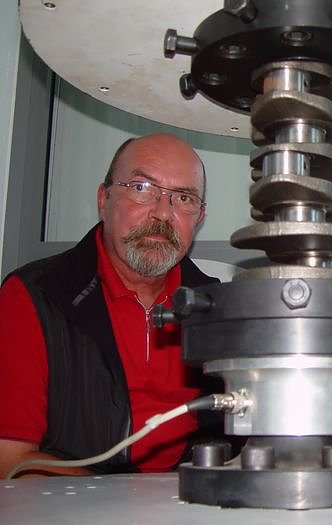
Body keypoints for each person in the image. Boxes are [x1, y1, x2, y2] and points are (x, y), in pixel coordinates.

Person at [0, 133, 222, 478]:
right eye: (142, 188)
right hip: (76, 502)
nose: (163, 213)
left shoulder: (217, 308)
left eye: (183, 198)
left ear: (200, 217)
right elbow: (11, 461)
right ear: (104, 200)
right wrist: (124, 502)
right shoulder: (35, 296)